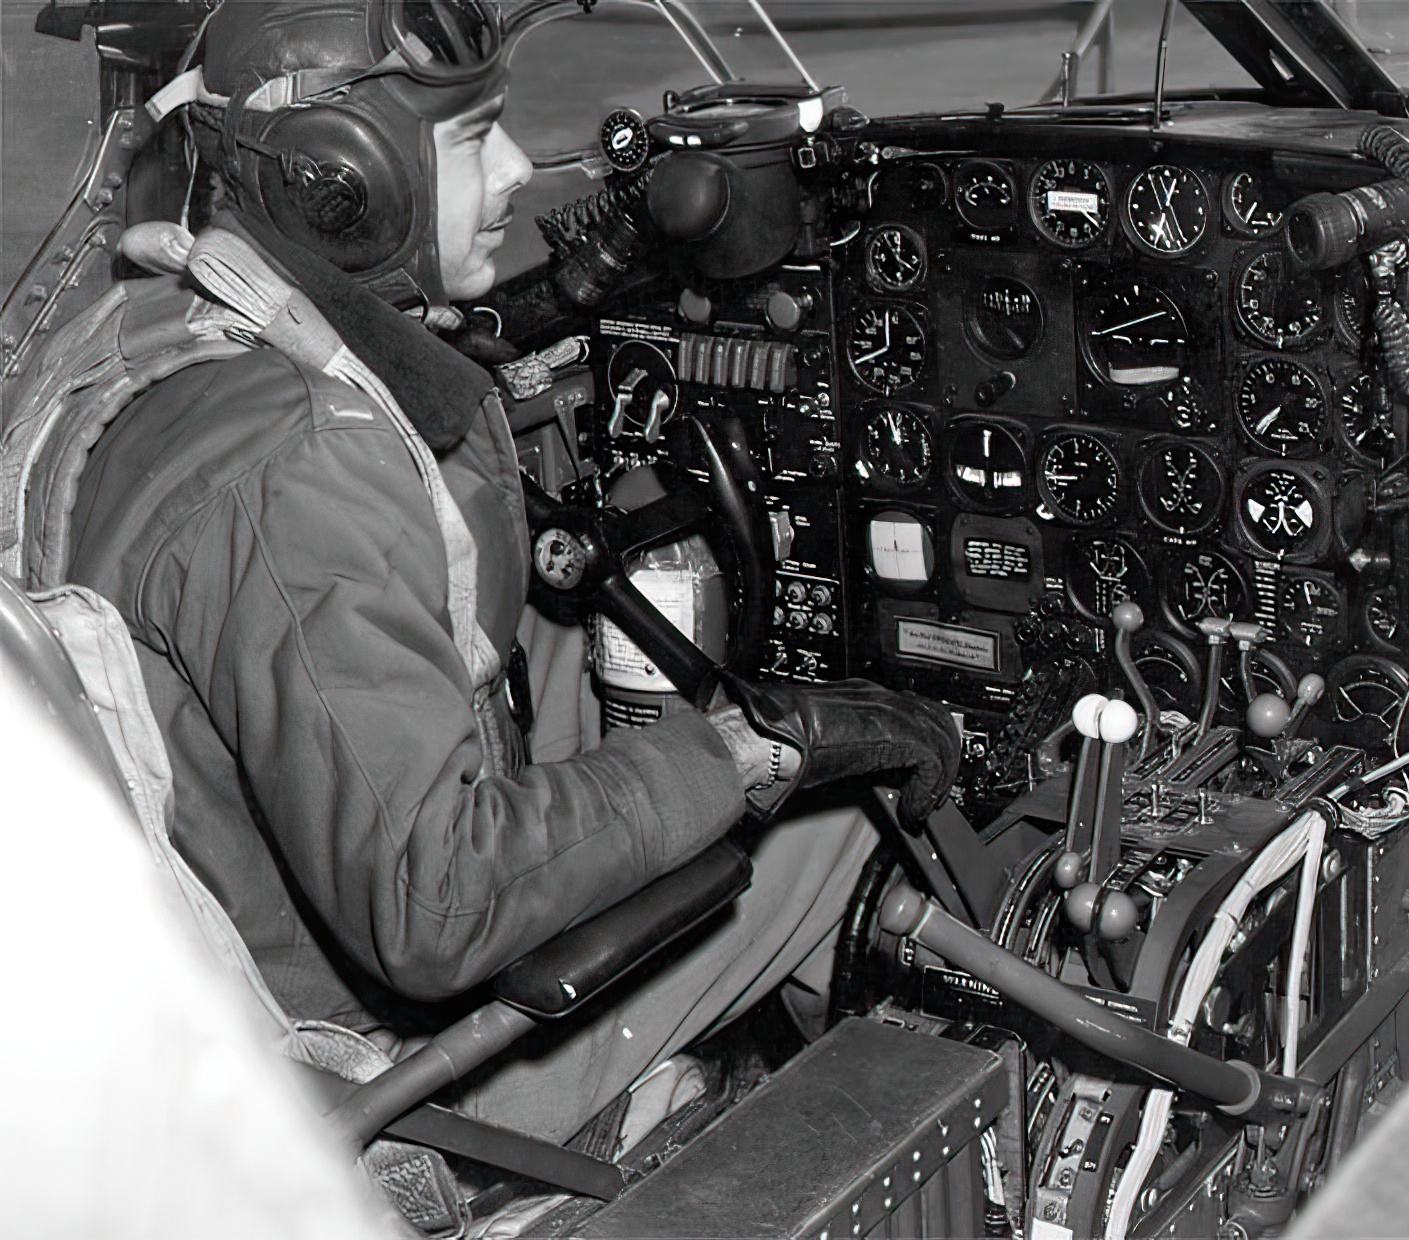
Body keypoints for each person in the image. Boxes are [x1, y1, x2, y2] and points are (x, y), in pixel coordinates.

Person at [65, 0, 958, 1160]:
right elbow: (436, 905)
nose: (521, 164)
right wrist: (747, 749)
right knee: (841, 818)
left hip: (182, 1006)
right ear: (349, 183)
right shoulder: (304, 470)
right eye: (472, 137)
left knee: (600, 666)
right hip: (351, 1096)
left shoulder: (171, 324)